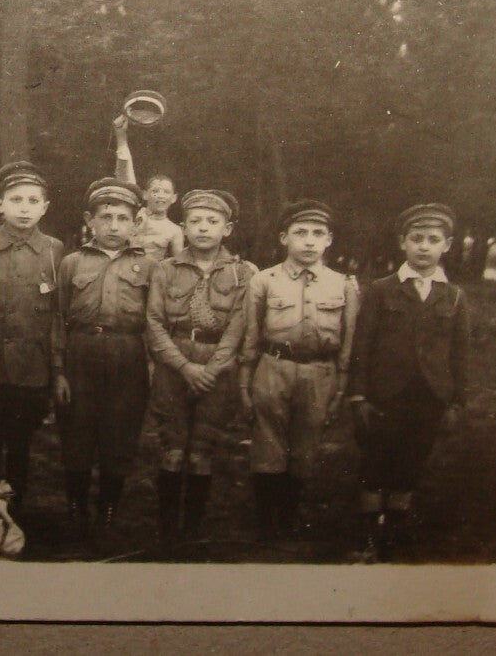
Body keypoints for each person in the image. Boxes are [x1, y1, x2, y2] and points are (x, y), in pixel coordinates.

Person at [347, 203, 472, 560]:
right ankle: (368, 536)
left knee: (410, 462)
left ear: (447, 245)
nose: (424, 247)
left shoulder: (454, 296)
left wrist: (457, 400)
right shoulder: (381, 289)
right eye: (416, 238)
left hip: (429, 395)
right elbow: (362, 345)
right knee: (375, 462)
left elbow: (460, 354)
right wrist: (358, 395)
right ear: (403, 242)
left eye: (433, 240)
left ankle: (395, 531)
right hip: (385, 395)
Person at [239, 199, 359, 541]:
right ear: (283, 238)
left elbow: (347, 343)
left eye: (318, 233)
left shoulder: (343, 285)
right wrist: (244, 385)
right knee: (268, 445)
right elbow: (251, 336)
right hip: (273, 367)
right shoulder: (263, 281)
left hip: (320, 373)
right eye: (300, 232)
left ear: (329, 240)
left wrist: (340, 389)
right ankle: (267, 525)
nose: (309, 241)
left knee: (305, 447)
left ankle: (288, 520)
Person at [143, 188, 256, 544]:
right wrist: (183, 366)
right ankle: (166, 530)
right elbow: (153, 322)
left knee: (201, 452)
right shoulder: (165, 269)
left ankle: (192, 531)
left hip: (217, 370)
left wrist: (212, 369)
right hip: (173, 366)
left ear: (228, 229)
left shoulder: (243, 273)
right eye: (195, 221)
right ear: (184, 227)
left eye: (212, 221)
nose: (203, 228)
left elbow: (239, 326)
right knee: (173, 450)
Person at [54, 177, 154, 539]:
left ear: (136, 222)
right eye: (106, 217)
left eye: (123, 218)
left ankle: (109, 509)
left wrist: (151, 366)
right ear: (89, 220)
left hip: (128, 354)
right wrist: (59, 370)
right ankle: (76, 506)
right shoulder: (72, 263)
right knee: (77, 431)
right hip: (81, 352)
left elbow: (154, 321)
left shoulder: (149, 266)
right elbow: (58, 319)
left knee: (119, 432)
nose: (114, 226)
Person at [0, 161, 64, 507]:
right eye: (16, 199)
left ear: (45, 207)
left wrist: (54, 366)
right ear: (0, 204)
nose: (24, 208)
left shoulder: (54, 250)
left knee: (21, 435)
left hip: (31, 363)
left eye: (33, 201)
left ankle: (15, 502)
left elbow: (57, 313)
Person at [112, 114, 183, 261]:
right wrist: (121, 136)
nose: (160, 195)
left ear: (174, 198)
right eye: (155, 191)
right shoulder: (135, 215)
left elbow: (179, 266)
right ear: (144, 194)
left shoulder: (175, 231)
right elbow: (125, 175)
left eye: (166, 192)